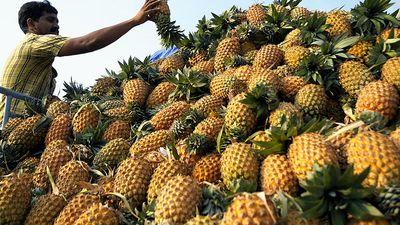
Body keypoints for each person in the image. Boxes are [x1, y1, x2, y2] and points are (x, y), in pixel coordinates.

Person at [0, 0, 160, 120]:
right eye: (50, 20)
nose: (56, 26)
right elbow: (87, 43)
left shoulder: (34, 51)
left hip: (23, 121)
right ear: (31, 23)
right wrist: (134, 21)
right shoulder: (34, 42)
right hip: (13, 122)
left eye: (57, 21)